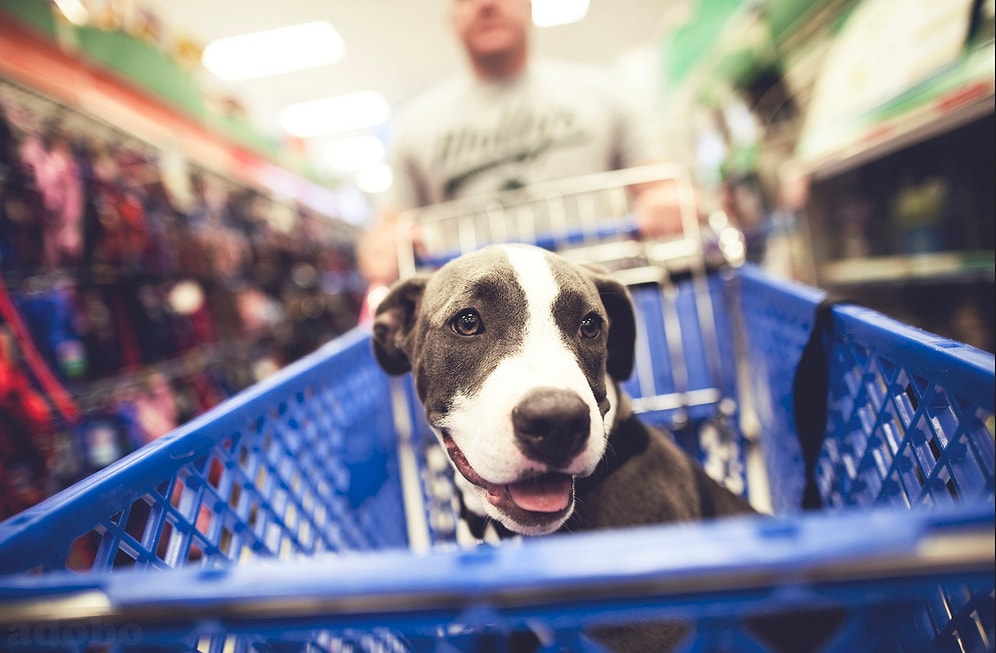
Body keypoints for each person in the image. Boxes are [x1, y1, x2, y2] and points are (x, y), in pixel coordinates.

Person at [357, 0, 684, 292]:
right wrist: (382, 251)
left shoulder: (607, 95)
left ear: (529, 5)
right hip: (481, 334)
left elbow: (660, 188)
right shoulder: (412, 126)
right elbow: (390, 232)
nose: (486, 5)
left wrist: (668, 202)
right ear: (452, 16)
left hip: (596, 310)